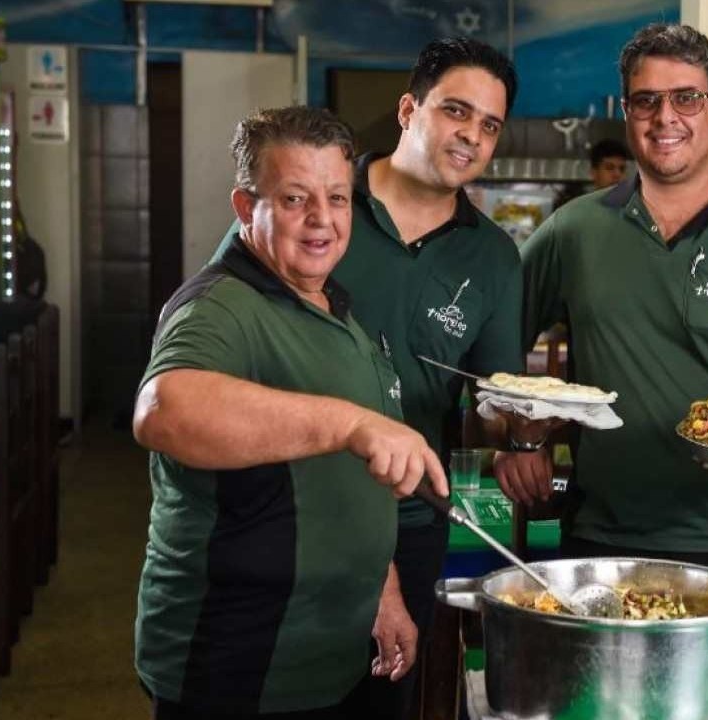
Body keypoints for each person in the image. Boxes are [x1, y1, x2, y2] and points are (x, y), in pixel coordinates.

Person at [494, 23, 708, 642]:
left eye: (686, 97)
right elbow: (495, 356)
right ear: (626, 109)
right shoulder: (574, 231)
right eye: (646, 100)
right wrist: (520, 434)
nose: (667, 117)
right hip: (606, 541)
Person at [212, 37, 527, 718]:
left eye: (490, 125)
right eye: (456, 112)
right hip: (283, 508)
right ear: (410, 109)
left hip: (406, 521)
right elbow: (219, 327)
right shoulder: (316, 203)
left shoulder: (495, 256)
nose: (470, 136)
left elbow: (493, 398)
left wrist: (522, 429)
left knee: (381, 698)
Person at [132, 106, 449, 718]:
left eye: (337, 197)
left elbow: (344, 483)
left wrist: (383, 595)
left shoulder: (332, 308)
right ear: (247, 208)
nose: (322, 220)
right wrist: (350, 423)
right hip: (240, 666)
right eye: (296, 198)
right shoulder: (220, 307)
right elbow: (163, 409)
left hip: (330, 656)